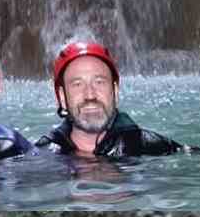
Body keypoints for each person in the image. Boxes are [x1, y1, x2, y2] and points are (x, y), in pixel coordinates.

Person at [35, 41, 190, 156]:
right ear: (62, 97)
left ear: (115, 91)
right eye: (77, 84)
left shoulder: (155, 148)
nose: (90, 95)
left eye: (99, 82)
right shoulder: (41, 156)